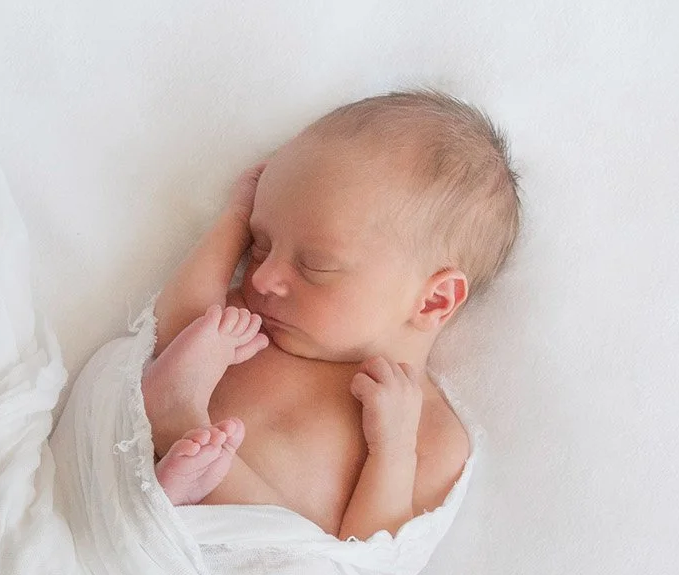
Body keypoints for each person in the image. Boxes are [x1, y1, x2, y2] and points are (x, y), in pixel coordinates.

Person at [140, 92, 520, 541]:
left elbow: (370, 553)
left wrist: (391, 451)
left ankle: (175, 423)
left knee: (305, 572)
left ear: (434, 301)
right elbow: (172, 331)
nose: (263, 277)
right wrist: (235, 219)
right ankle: (172, 455)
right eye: (260, 244)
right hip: (127, 512)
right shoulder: (253, 324)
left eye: (314, 266)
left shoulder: (429, 433)